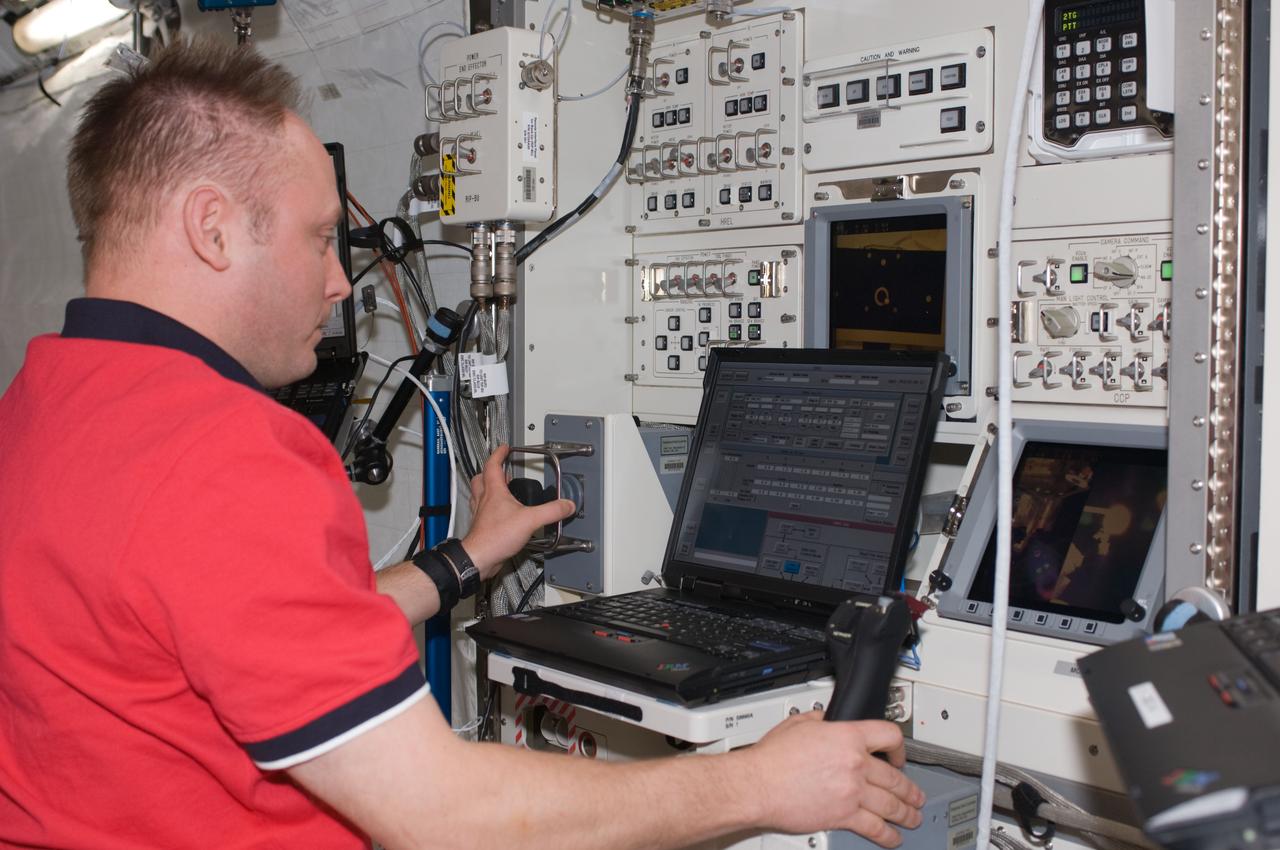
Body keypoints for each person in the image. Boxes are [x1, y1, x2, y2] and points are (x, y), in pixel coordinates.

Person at [0, 37, 925, 850]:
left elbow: (223, 627)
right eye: (322, 238)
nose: (336, 282)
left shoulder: (45, 406)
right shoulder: (224, 453)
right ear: (211, 229)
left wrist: (466, 561)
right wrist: (762, 783)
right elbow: (440, 815)